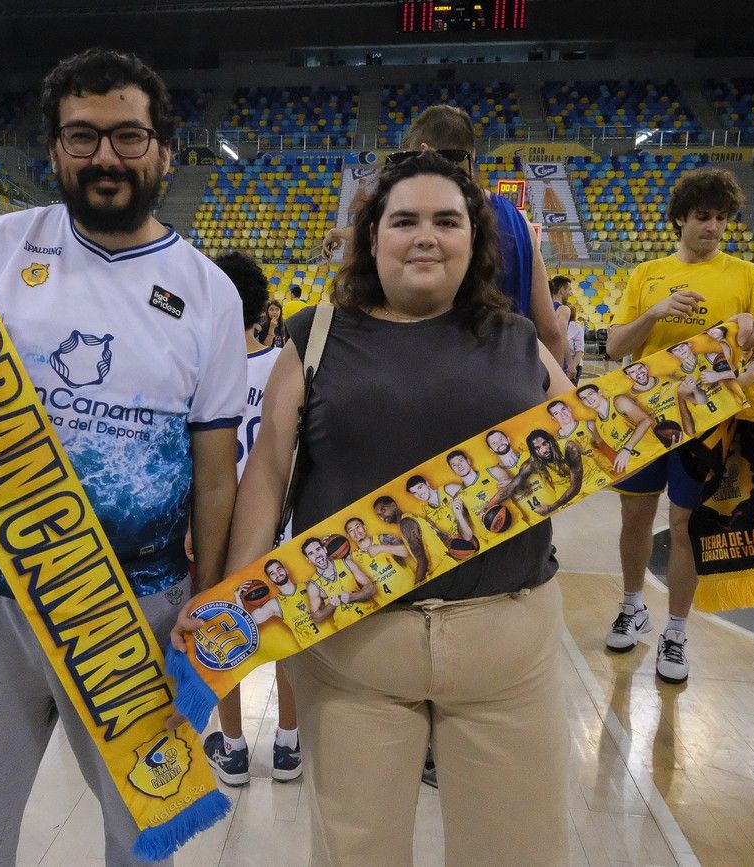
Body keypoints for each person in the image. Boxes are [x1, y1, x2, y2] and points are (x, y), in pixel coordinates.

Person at [175, 151, 575, 864]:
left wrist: (737, 361)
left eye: (447, 220)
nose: (426, 235)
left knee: (519, 849)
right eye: (406, 220)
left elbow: (596, 436)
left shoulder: (517, 338)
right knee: (355, 852)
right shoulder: (316, 333)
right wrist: (235, 595)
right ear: (372, 238)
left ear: (474, 241)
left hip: (507, 651)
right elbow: (268, 471)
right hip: (354, 648)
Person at [0, 48, 246, 867]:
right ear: (55, 150)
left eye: (128, 137)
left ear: (163, 149)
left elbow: (214, 467)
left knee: (140, 835)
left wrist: (208, 592)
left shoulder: (209, 292)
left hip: (134, 607)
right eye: (81, 137)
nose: (105, 158)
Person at [601, 167, 754, 684]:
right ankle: (633, 605)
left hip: (707, 426)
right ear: (680, 218)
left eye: (722, 219)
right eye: (703, 217)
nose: (714, 227)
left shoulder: (748, 275)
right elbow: (616, 348)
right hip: (644, 414)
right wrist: (654, 313)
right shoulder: (647, 275)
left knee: (684, 528)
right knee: (635, 521)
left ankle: (677, 632)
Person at [321, 105, 568, 365]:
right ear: (472, 155)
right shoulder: (522, 225)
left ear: (425, 153)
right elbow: (549, 332)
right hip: (515, 376)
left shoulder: (434, 240)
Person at [202, 250, 302, 788]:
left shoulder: (199, 369)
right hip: (281, 522)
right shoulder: (288, 364)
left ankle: (234, 748)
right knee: (284, 635)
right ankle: (288, 744)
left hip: (220, 525)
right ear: (263, 308)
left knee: (225, 632)